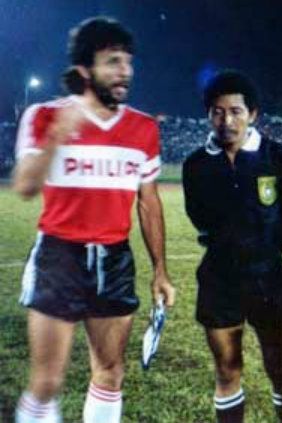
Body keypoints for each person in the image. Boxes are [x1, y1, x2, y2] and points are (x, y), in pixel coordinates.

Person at [12, 16, 175, 423]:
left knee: (110, 373)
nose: (126, 72)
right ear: (85, 70)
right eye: (113, 62)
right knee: (47, 380)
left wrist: (160, 271)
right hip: (58, 255)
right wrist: (57, 136)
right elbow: (26, 186)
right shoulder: (43, 115)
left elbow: (149, 202)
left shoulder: (142, 128)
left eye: (128, 62)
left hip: (114, 258)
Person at [182, 70, 282, 423]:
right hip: (219, 279)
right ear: (208, 115)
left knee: (280, 370)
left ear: (253, 114)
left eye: (235, 111)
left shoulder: (275, 157)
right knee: (227, 370)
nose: (226, 120)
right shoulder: (196, 165)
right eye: (217, 112)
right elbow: (199, 217)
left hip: (268, 278)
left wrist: (262, 252)